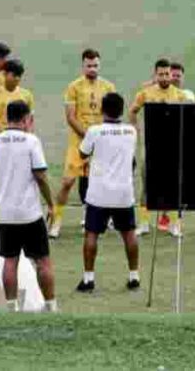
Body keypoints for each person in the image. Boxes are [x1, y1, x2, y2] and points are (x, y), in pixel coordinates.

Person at [0, 100, 57, 312]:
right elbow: (41, 176)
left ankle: (11, 306)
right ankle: (51, 305)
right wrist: (51, 204)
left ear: (7, 118)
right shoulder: (31, 141)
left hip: (5, 212)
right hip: (29, 213)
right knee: (43, 260)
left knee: (10, 260)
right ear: (27, 119)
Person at [76, 93, 140, 292]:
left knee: (92, 234)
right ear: (122, 110)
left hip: (99, 192)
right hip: (123, 192)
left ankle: (88, 279)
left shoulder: (95, 131)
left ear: (102, 110)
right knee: (129, 234)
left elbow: (82, 153)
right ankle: (134, 275)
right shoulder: (131, 131)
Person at [50, 49, 116, 239]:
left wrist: (100, 137)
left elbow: (110, 114)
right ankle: (56, 220)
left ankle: (99, 219)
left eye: (95, 65)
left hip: (101, 143)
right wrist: (89, 136)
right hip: (78, 143)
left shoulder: (108, 87)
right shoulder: (74, 87)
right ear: (83, 65)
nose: (92, 69)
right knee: (68, 181)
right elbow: (70, 117)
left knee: (101, 182)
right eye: (89, 65)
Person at [129, 59, 186, 236]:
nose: (164, 77)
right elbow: (132, 111)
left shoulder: (179, 95)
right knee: (147, 184)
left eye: (167, 74)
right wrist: (136, 130)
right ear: (155, 74)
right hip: (150, 145)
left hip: (172, 146)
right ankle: (144, 223)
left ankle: (174, 225)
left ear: (171, 74)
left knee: (173, 186)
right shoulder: (145, 93)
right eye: (160, 74)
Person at [0, 59, 35, 136]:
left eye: (19, 76)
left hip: (20, 138)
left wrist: (27, 136)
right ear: (4, 74)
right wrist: (0, 136)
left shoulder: (27, 95)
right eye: (14, 75)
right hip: (1, 137)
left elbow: (30, 120)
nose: (17, 78)